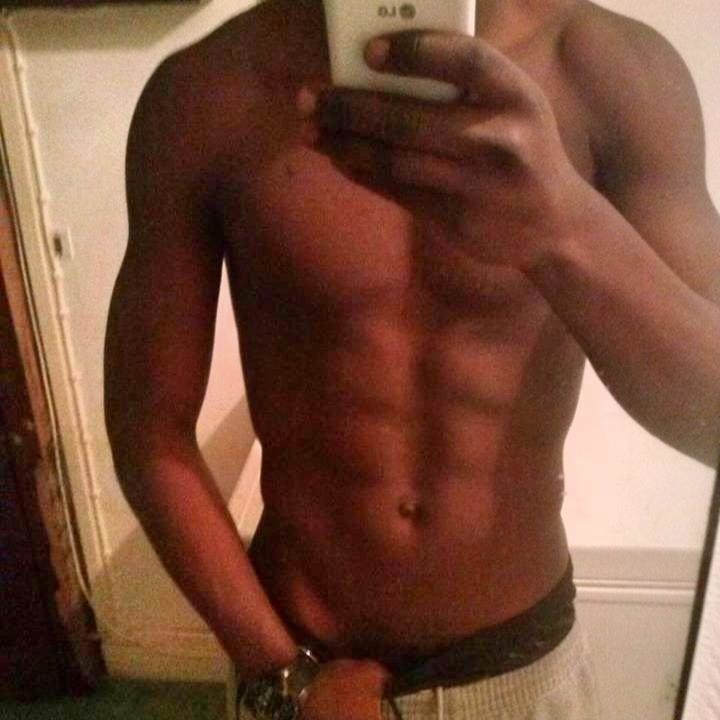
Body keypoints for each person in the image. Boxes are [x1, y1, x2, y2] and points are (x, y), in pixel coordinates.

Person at [104, 0, 720, 718]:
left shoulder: (616, 74)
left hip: (518, 666)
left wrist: (564, 227)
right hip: (297, 662)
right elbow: (148, 431)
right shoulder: (205, 92)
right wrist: (284, 677)